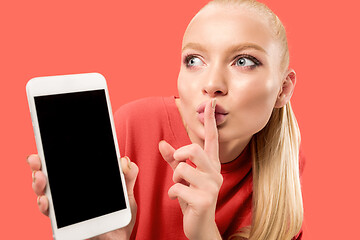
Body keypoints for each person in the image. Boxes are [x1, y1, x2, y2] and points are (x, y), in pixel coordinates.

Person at [27, 0, 305, 239]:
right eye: (194, 60)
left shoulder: (284, 170)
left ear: (283, 89)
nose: (212, 84)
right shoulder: (133, 126)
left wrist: (204, 231)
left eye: (243, 61)